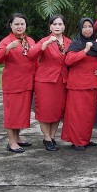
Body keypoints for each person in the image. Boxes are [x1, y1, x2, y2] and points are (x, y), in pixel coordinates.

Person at [0, 13, 37, 153]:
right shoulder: (6, 41)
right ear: (10, 25)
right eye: (16, 24)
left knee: (21, 112)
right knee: (12, 113)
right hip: (13, 83)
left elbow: (35, 60)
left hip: (27, 82)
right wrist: (7, 49)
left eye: (22, 24)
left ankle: (17, 138)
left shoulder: (29, 40)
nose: (19, 26)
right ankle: (11, 142)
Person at [27, 14, 71, 151]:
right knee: (45, 111)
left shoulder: (69, 42)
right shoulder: (44, 40)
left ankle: (52, 137)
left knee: (57, 111)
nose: (57, 27)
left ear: (64, 26)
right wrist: (44, 45)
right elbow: (31, 55)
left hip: (62, 81)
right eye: (54, 24)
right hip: (45, 81)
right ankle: (46, 137)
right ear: (50, 26)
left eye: (60, 24)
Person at [61, 18, 97, 150]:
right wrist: (85, 50)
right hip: (77, 85)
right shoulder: (76, 43)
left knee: (89, 114)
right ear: (80, 29)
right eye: (84, 26)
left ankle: (85, 139)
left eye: (90, 26)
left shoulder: (96, 44)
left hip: (92, 84)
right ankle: (77, 141)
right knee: (77, 114)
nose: (87, 29)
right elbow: (69, 61)